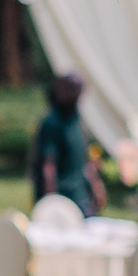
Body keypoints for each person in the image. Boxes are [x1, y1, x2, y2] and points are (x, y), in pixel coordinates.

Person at [32, 73, 105, 216]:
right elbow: (48, 165)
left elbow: (84, 156)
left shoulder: (76, 118)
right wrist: (51, 202)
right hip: (62, 199)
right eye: (72, 90)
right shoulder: (52, 122)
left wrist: (96, 187)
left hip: (81, 197)